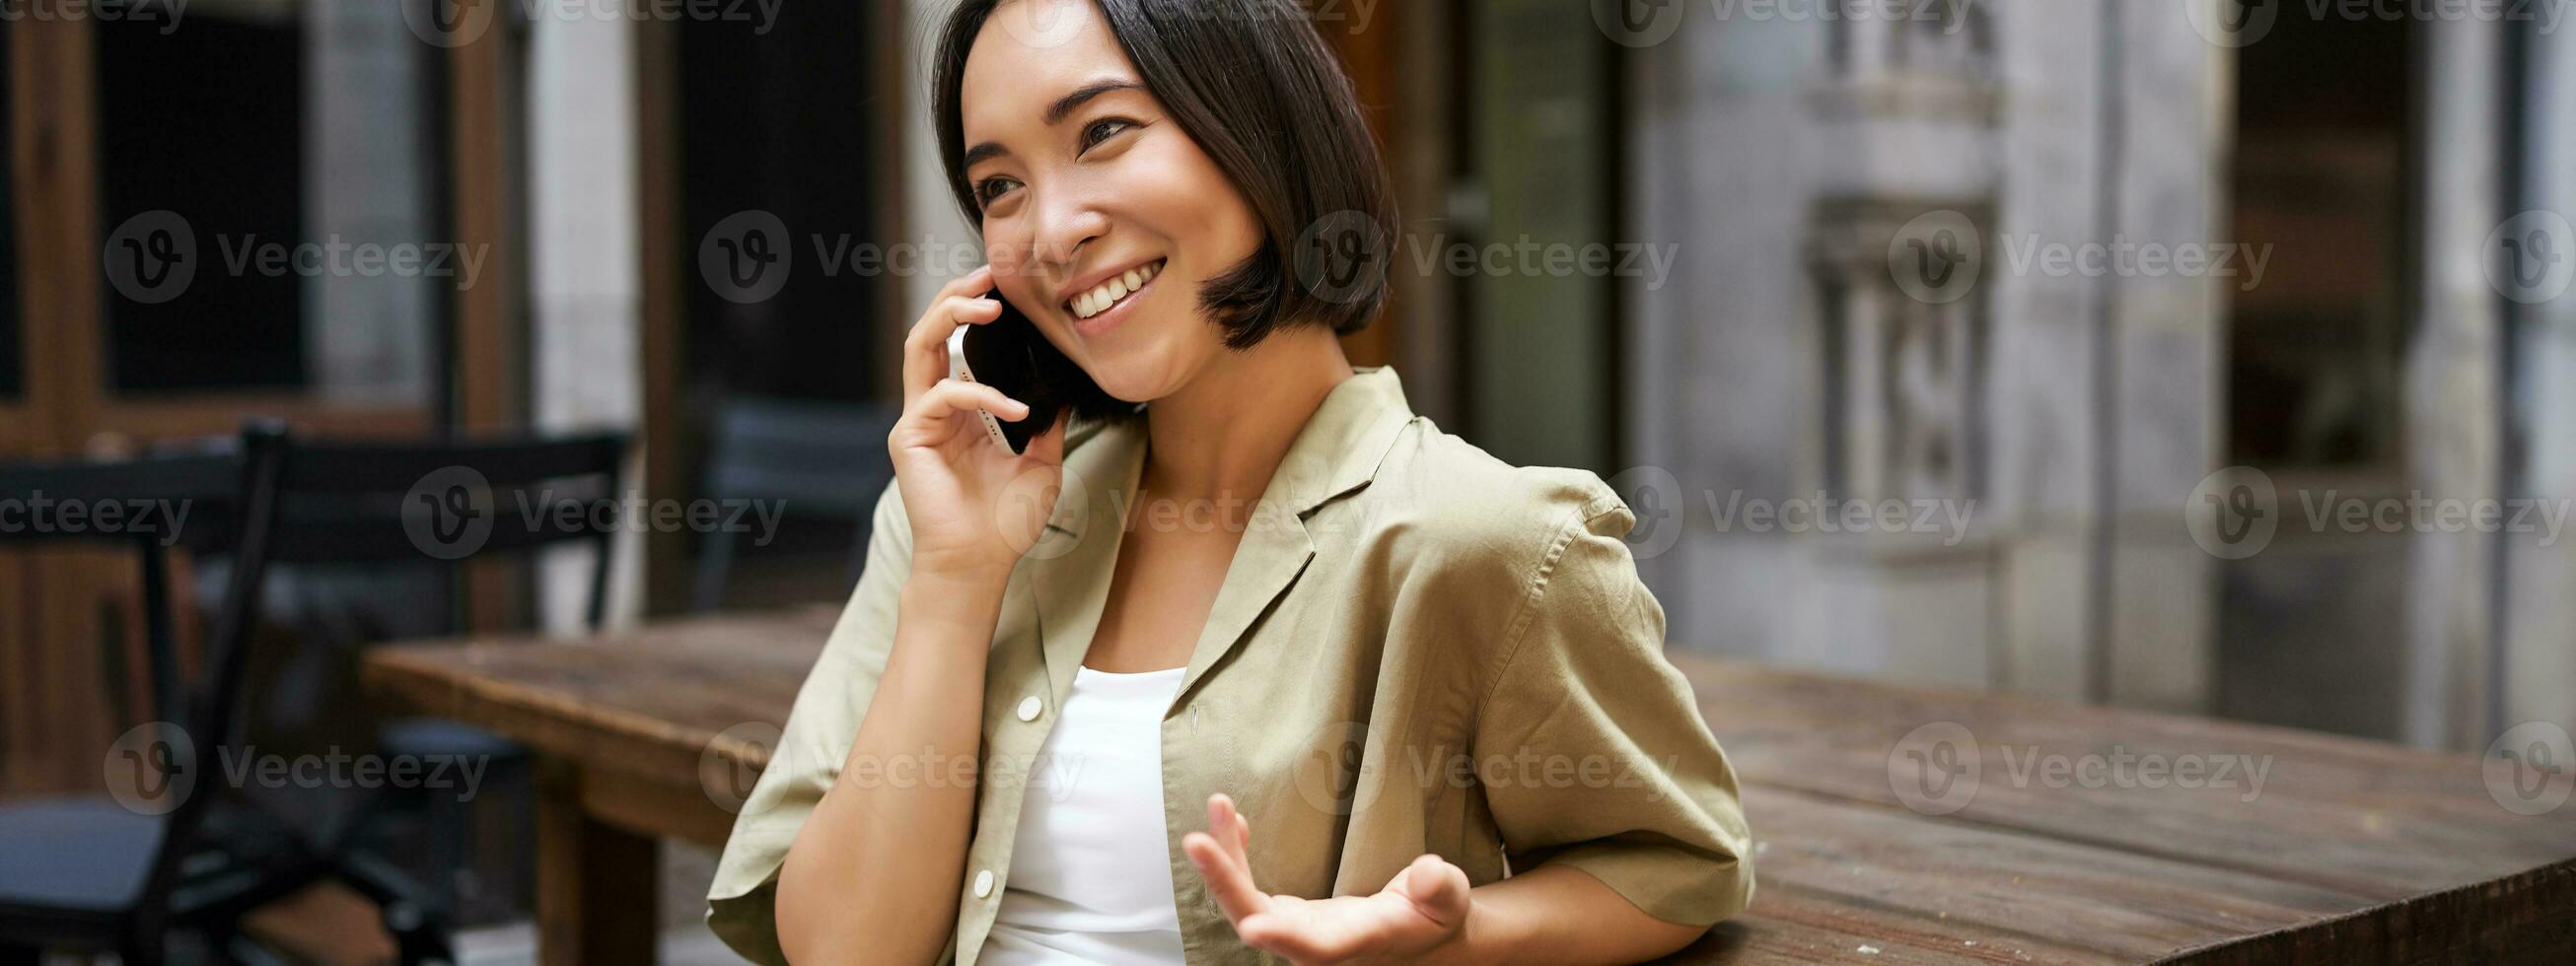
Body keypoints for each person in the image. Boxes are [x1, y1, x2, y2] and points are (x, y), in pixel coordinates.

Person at [707, 1, 1754, 962]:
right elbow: (840, 950)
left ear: (1253, 124)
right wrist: (953, 582)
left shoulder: (1482, 541)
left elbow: (1675, 866)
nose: (1054, 228)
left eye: (1103, 132)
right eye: (999, 186)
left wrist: (1456, 933)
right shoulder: (954, 513)